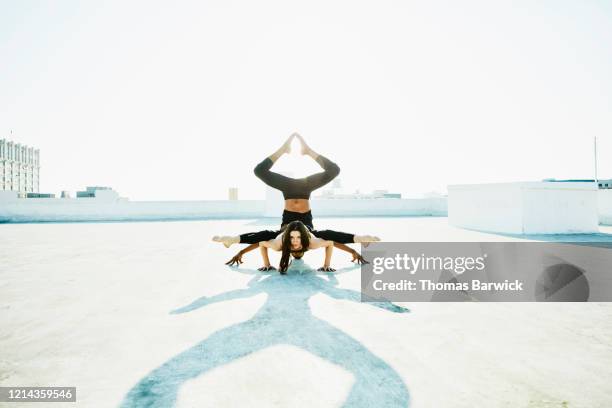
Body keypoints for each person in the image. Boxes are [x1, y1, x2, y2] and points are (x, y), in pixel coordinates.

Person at [213, 133, 379, 270]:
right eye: (299, 249)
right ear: (303, 249)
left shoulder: (282, 240)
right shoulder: (311, 240)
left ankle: (283, 150)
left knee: (259, 173)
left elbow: (260, 241)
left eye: (294, 249)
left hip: (288, 191)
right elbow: (332, 240)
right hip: (306, 189)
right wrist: (355, 244)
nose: (296, 246)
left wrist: (239, 247)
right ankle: (308, 151)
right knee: (334, 171)